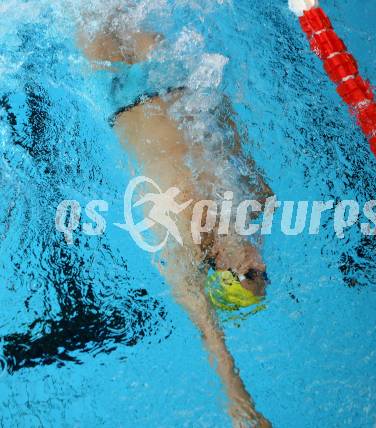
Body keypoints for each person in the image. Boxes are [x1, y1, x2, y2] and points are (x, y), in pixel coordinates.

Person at [77, 9, 272, 427]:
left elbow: (212, 340)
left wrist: (241, 404)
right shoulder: (246, 213)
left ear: (226, 273)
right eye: (262, 276)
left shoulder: (180, 246)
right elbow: (235, 152)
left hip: (123, 98)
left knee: (87, 18)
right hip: (177, 84)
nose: (262, 267)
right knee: (137, 17)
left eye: (254, 275)